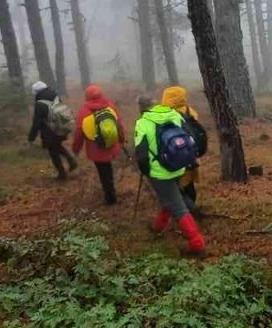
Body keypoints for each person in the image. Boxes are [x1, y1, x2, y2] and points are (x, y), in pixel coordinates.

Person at [134, 95, 206, 256]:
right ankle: (158, 227)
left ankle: (197, 245)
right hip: (178, 166)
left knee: (178, 207)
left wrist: (146, 172)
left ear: (140, 108)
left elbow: (141, 154)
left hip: (160, 173)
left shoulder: (143, 123)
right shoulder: (173, 114)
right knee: (168, 198)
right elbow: (190, 138)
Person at [72, 84, 125, 204]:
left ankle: (110, 198)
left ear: (87, 97)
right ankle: (110, 192)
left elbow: (79, 133)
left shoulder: (84, 112)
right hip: (111, 144)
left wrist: (76, 149)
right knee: (107, 169)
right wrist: (122, 140)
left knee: (103, 172)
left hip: (96, 148)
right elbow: (119, 124)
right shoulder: (110, 106)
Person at [161, 85, 205, 210]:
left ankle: (187, 212)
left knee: (177, 187)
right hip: (191, 156)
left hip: (174, 156)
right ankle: (191, 206)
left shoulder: (166, 116)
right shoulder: (190, 111)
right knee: (189, 185)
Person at [28, 81, 77, 179]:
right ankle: (71, 161)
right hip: (61, 127)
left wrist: (31, 137)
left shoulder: (39, 104)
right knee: (57, 146)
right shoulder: (55, 96)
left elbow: (36, 122)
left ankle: (61, 174)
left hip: (49, 131)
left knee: (53, 152)